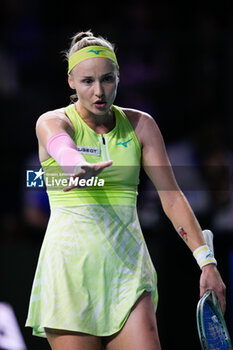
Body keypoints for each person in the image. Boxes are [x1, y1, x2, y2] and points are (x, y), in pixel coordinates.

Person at [25, 31, 226, 350]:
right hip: (68, 277)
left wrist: (207, 262)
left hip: (128, 273)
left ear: (118, 76)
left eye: (107, 79)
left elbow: (171, 197)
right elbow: (60, 145)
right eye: (87, 81)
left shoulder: (141, 125)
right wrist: (74, 163)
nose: (99, 91)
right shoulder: (52, 121)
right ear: (71, 82)